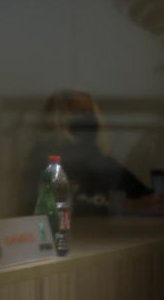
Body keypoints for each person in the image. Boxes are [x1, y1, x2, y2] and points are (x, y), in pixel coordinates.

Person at [19, 89, 156, 216]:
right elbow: (57, 204)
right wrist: (121, 206)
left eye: (90, 112)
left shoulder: (98, 157)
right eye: (79, 111)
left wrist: (151, 199)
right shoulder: (46, 156)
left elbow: (141, 192)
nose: (89, 118)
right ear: (59, 116)